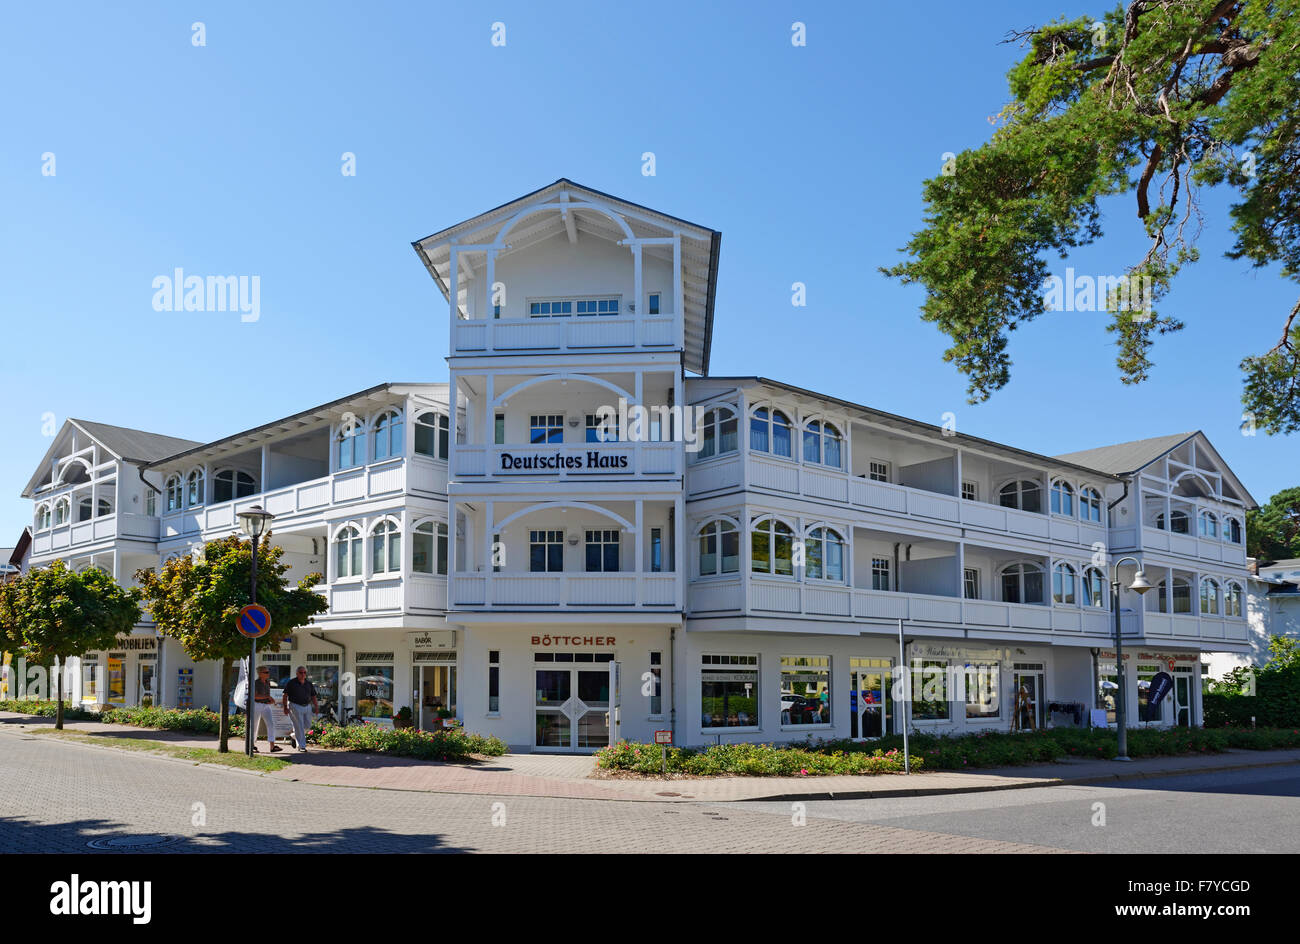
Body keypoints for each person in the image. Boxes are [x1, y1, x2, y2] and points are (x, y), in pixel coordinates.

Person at [282, 666, 319, 752]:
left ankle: (293, 735)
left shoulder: (309, 684)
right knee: (299, 726)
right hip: (295, 705)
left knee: (307, 726)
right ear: (297, 674)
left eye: (304, 673)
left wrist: (316, 707)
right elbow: (285, 695)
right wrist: (285, 707)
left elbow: (313, 696)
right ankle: (302, 746)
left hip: (307, 706)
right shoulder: (291, 683)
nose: (303, 674)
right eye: (301, 673)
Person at [253, 666, 281, 753]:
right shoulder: (256, 683)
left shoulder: (267, 682)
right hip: (256, 704)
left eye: (268, 672)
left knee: (271, 724)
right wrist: (268, 697)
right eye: (266, 672)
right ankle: (251, 745)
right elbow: (255, 696)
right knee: (254, 725)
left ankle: (272, 746)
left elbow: (267, 695)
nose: (268, 674)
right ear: (260, 674)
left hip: (265, 705)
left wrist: (270, 700)